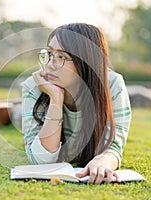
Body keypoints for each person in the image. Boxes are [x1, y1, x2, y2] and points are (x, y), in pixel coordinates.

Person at [21, 23, 131, 184]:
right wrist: (56, 98)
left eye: (61, 57)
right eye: (50, 54)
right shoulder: (34, 86)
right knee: (16, 114)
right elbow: (41, 162)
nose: (50, 64)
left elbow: (114, 147)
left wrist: (104, 160)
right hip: (41, 108)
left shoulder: (112, 84)